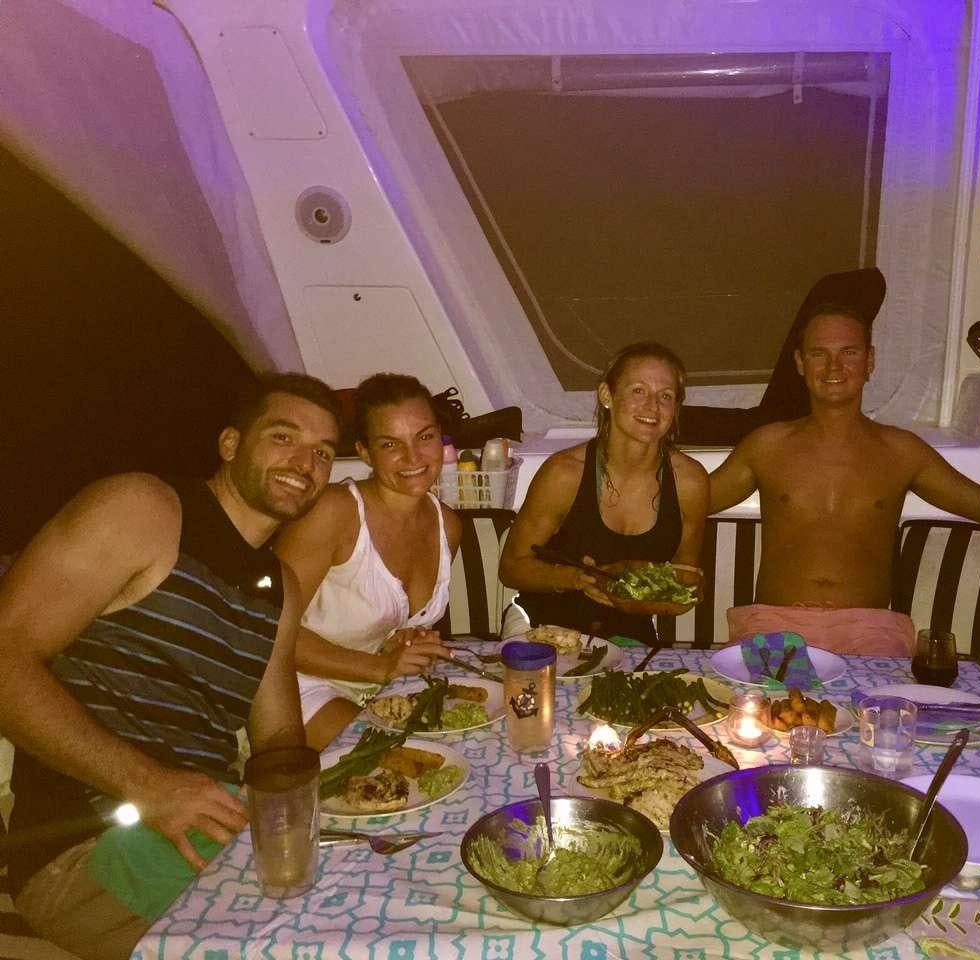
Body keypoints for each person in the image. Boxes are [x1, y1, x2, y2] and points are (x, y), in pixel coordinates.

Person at [0, 373, 341, 960]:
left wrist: (329, 802)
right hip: (88, 847)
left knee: (361, 894)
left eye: (324, 453)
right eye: (283, 437)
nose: (305, 462)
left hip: (203, 828)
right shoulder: (145, 510)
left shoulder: (275, 586)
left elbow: (280, 738)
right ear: (230, 443)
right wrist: (147, 785)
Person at [708, 269, 980, 654]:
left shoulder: (902, 451)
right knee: (755, 714)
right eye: (819, 354)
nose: (834, 368)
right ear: (800, 362)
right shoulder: (766, 445)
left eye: (849, 353)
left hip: (869, 631)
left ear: (869, 361)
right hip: (775, 626)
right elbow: (688, 504)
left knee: (880, 715)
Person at [275, 374, 460, 750]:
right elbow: (265, 631)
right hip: (294, 686)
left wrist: (404, 639)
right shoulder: (334, 512)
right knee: (397, 759)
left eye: (424, 437)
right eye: (391, 444)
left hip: (381, 689)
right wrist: (379, 667)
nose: (413, 458)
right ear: (364, 452)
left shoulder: (448, 524)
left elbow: (391, 628)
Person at [500, 342, 709, 645]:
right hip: (543, 623)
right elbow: (511, 567)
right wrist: (576, 579)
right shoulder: (564, 473)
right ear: (607, 395)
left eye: (666, 396)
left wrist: (689, 591)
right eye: (639, 390)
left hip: (629, 634)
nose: (653, 406)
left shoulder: (690, 481)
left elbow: (684, 575)